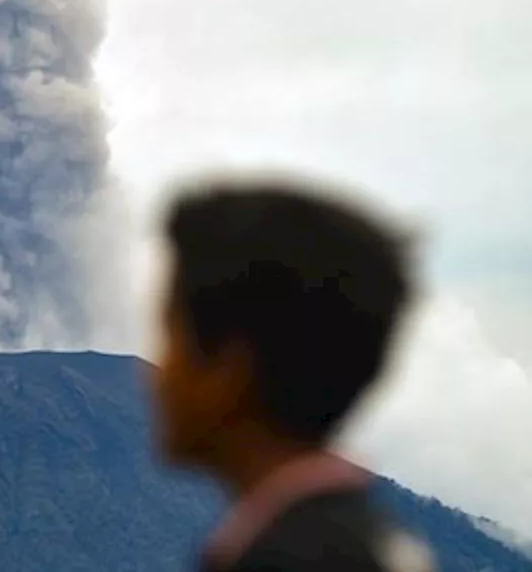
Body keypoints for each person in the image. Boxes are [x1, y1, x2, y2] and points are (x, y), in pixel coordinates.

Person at [152, 181, 437, 572]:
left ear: (230, 369)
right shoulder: (372, 545)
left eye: (170, 339)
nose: (155, 375)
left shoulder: (286, 560)